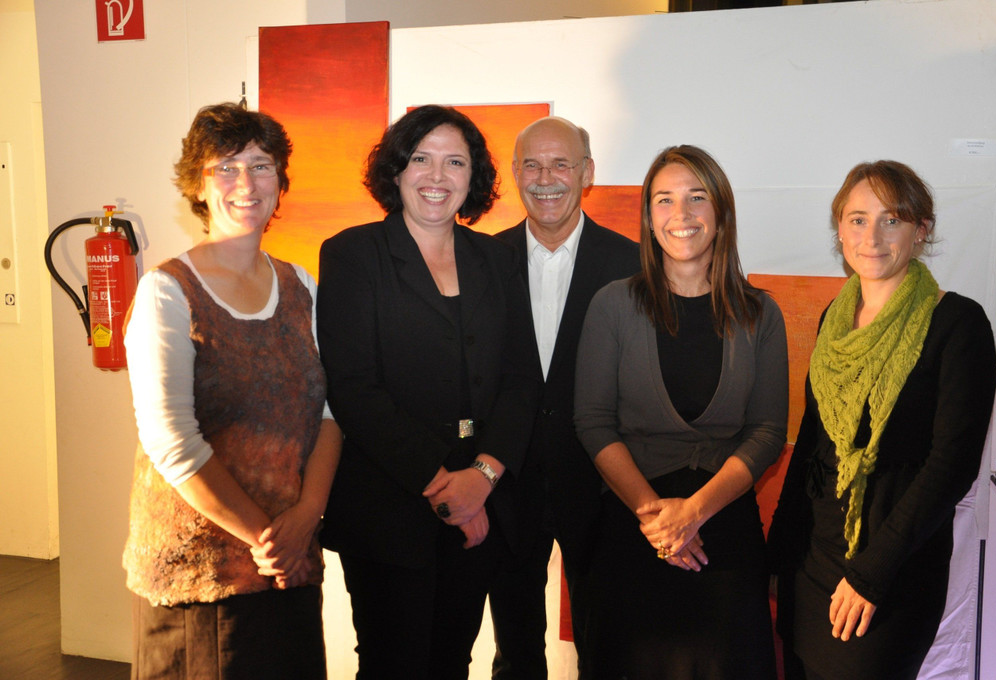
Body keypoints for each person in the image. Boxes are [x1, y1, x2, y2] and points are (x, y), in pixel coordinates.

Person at [316, 104, 540, 679]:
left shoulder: (497, 258)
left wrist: (481, 479)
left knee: (450, 663)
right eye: (421, 159)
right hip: (389, 510)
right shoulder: (352, 254)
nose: (437, 176)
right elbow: (355, 390)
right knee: (393, 666)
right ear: (396, 170)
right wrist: (447, 490)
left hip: (484, 504)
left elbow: (521, 380)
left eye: (455, 162)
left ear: (473, 177)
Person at [121, 102, 342, 680]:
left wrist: (306, 518)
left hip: (290, 567)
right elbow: (173, 441)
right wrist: (269, 541)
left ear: (280, 183)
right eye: (226, 167)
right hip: (203, 579)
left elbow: (330, 412)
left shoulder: (301, 285)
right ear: (198, 185)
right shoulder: (168, 292)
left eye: (262, 165)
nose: (246, 183)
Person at [768, 161, 996, 680]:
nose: (871, 237)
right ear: (840, 230)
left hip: (890, 576)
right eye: (857, 219)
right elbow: (813, 445)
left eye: (891, 220)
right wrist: (779, 556)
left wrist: (870, 576)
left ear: (921, 231)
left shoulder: (958, 324)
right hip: (810, 563)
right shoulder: (834, 319)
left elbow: (952, 466)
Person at [573, 144, 786, 679]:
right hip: (633, 526)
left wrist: (693, 513)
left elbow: (766, 431)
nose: (681, 214)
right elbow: (593, 421)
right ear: (649, 217)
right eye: (665, 200)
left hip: (724, 528)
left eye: (697, 197)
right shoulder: (612, 304)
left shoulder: (761, 313)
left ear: (721, 212)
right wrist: (656, 518)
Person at [488, 116, 638, 678]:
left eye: (560, 164)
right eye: (531, 164)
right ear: (514, 173)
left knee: (608, 651)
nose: (545, 178)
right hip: (507, 486)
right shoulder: (481, 261)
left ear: (587, 173)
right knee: (515, 655)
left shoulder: (633, 265)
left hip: (603, 487)